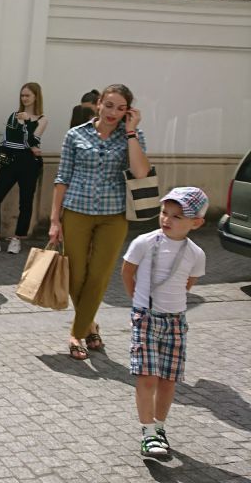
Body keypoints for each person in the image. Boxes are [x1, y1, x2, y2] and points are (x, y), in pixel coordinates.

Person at [49, 83, 151, 360]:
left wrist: (131, 132)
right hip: (76, 211)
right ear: (98, 104)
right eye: (109, 105)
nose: (112, 112)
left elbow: (141, 173)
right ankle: (90, 325)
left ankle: (76, 333)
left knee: (99, 275)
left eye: (120, 108)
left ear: (128, 111)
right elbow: (62, 178)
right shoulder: (75, 134)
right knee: (76, 275)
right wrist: (55, 219)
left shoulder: (132, 135)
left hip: (114, 215)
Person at [121, 187, 207, 458]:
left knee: (168, 380)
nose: (167, 219)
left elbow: (187, 284)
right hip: (146, 317)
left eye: (177, 216)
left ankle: (159, 428)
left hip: (176, 321)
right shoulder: (144, 242)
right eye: (164, 212)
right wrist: (138, 302)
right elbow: (127, 272)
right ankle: (147, 433)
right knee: (147, 377)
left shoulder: (196, 253)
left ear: (196, 223)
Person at [0, 82, 48, 255]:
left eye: (28, 95)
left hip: (29, 163)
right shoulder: (13, 116)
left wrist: (26, 123)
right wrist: (28, 139)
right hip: (11, 160)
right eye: (22, 95)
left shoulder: (42, 119)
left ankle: (17, 239)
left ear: (36, 96)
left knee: (26, 202)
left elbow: (33, 141)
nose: (24, 98)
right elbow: (9, 139)